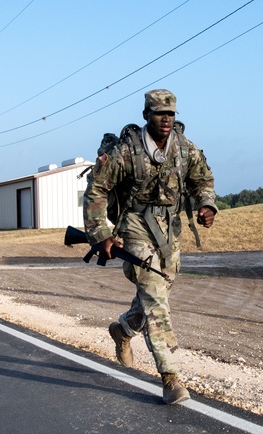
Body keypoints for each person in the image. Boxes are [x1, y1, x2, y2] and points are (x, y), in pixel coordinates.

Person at [82, 89, 218, 404]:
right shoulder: (126, 152)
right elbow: (97, 187)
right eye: (159, 114)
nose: (166, 119)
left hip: (170, 229)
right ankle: (171, 378)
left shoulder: (185, 149)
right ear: (146, 116)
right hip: (134, 226)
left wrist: (206, 204)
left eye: (171, 114)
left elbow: (202, 180)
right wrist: (101, 232)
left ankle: (124, 329)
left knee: (156, 294)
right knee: (156, 298)